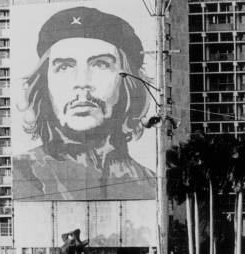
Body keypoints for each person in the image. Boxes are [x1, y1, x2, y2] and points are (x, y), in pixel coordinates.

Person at [13, 6, 155, 201]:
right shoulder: (21, 174)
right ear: (44, 84)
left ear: (128, 83)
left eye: (100, 64)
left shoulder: (150, 183)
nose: (82, 82)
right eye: (64, 67)